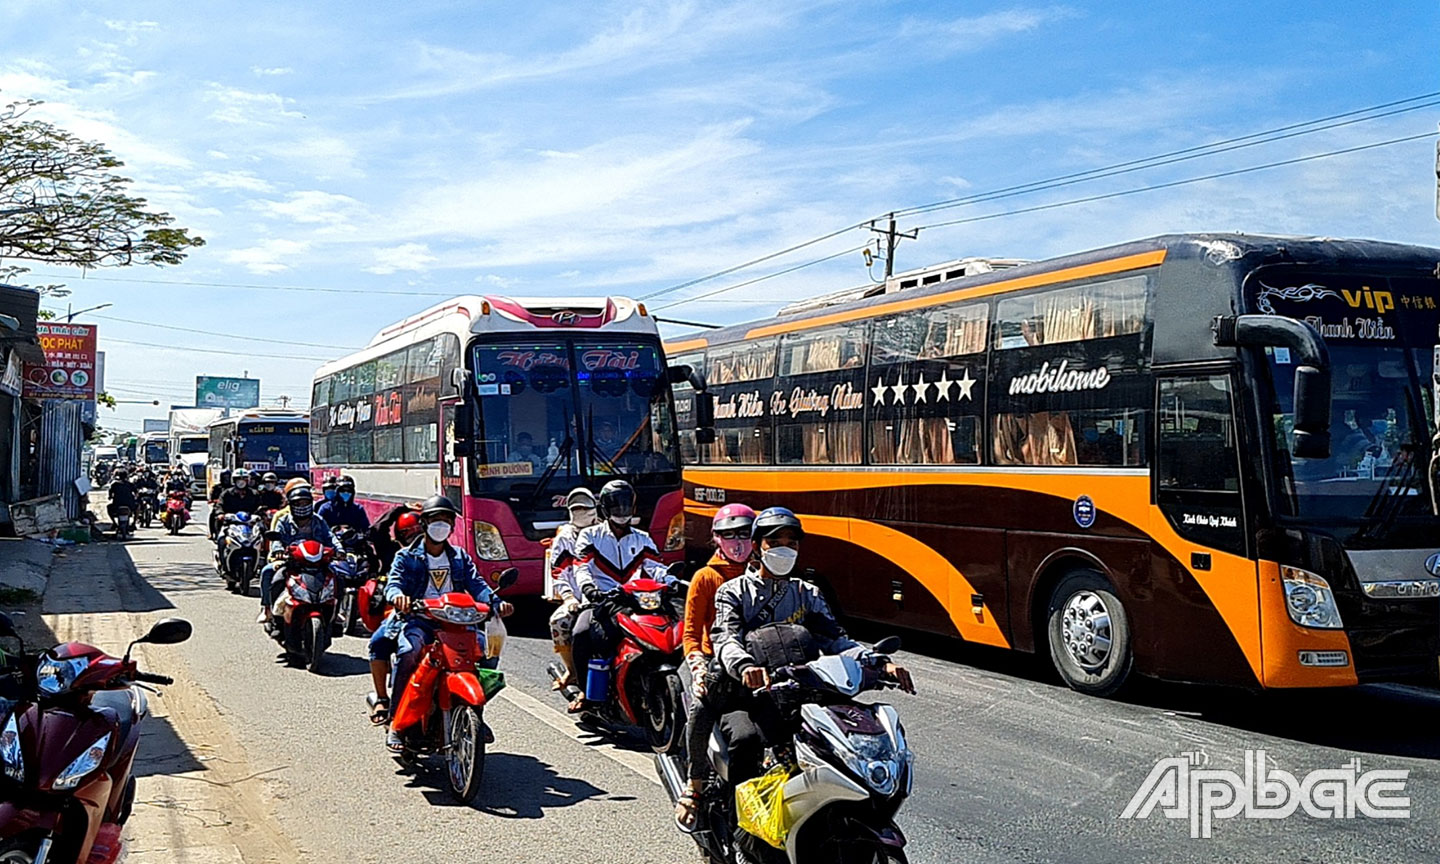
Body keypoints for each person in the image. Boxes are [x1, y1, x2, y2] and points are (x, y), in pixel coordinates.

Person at [710, 507, 914, 786]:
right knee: (745, 740)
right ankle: (732, 816)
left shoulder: (808, 593)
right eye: (775, 542)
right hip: (752, 694)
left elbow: (836, 641)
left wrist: (880, 663)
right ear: (757, 546)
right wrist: (746, 666)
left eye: (791, 543)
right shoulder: (733, 592)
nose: (784, 550)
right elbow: (726, 638)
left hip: (803, 690)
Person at [374, 495, 513, 750]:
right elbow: (393, 584)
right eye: (436, 520)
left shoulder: (460, 557)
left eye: (446, 520)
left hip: (457, 624)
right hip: (420, 620)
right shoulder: (406, 556)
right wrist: (399, 597)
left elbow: (478, 585)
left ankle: (474, 714)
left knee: (487, 652)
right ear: (424, 524)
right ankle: (396, 722)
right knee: (409, 652)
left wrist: (496, 603)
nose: (442, 525)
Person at [674, 503, 756, 831]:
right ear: (716, 539)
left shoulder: (766, 574)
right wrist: (698, 670)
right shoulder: (706, 577)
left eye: (744, 534)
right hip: (718, 666)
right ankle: (694, 782)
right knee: (701, 709)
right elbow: (692, 634)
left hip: (762, 664)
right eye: (728, 535)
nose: (737, 542)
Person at [568, 479, 675, 713]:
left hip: (636, 600)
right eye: (616, 505)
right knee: (581, 633)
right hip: (601, 600)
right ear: (605, 508)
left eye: (626, 505)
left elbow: (657, 568)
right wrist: (588, 589)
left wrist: (674, 582)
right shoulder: (590, 535)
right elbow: (581, 567)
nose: (622, 511)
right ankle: (586, 691)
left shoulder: (642, 537)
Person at [544, 487, 598, 690]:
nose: (581, 511)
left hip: (605, 597)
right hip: (577, 599)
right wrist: (568, 598)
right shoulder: (565, 537)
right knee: (558, 622)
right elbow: (558, 571)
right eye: (576, 508)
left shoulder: (604, 532)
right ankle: (572, 671)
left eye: (585, 507)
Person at [259, 485, 333, 626]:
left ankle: (336, 612)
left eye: (305, 503)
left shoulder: (318, 521)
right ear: (291, 504)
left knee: (337, 577)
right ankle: (268, 609)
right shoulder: (284, 520)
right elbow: (277, 539)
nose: (302, 506)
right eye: (298, 503)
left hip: (317, 561)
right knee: (269, 573)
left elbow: (330, 537)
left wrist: (339, 551)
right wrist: (278, 552)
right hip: (291, 562)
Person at [369, 502, 423, 576]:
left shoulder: (428, 550)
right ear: (401, 533)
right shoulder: (391, 549)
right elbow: (378, 529)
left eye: (419, 532)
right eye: (410, 534)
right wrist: (403, 508)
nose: (415, 538)